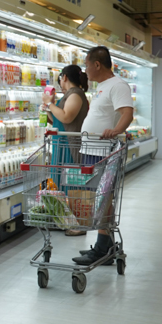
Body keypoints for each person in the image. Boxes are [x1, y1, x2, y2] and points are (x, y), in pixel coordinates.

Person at [72, 46, 134, 266]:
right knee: (100, 199)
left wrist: (116, 130)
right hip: (92, 150)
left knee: (103, 199)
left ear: (97, 64)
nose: (85, 69)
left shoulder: (117, 85)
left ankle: (101, 248)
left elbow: (127, 113)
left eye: (87, 64)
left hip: (103, 152)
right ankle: (105, 245)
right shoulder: (103, 87)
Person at [41, 65, 90, 236]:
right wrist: (47, 110)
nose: (60, 82)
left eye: (60, 78)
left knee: (70, 183)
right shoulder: (68, 95)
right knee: (61, 182)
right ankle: (66, 220)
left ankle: (76, 224)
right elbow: (58, 119)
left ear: (65, 77)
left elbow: (67, 116)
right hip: (60, 143)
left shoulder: (76, 94)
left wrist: (50, 103)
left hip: (69, 145)